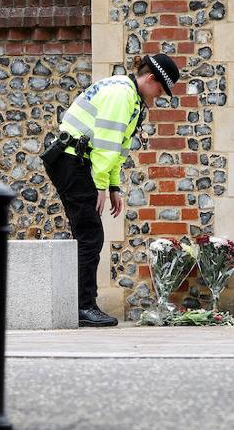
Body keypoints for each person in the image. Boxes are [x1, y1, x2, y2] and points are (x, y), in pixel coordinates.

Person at [41, 53, 180, 327]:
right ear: (150, 79)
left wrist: (113, 185)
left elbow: (117, 147)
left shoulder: (128, 93)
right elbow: (106, 142)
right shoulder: (122, 95)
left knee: (87, 232)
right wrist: (101, 184)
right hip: (72, 160)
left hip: (76, 160)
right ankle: (83, 307)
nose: (158, 97)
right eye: (160, 90)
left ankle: (80, 305)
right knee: (90, 233)